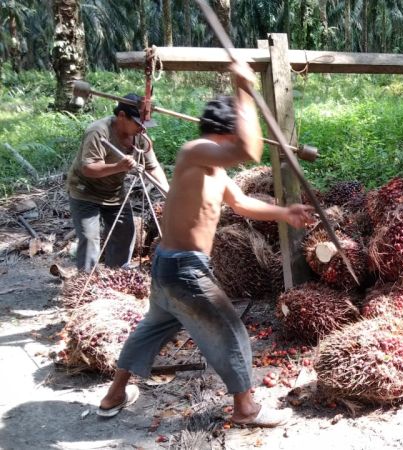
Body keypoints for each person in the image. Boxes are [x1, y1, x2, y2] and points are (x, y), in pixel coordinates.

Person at [97, 61, 313, 427]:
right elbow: (249, 150)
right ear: (228, 130)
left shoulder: (213, 168)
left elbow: (240, 203)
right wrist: (243, 89)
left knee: (152, 328)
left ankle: (113, 395)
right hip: (183, 269)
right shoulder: (196, 151)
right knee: (230, 330)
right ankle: (245, 408)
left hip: (170, 267)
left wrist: (284, 212)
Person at [67, 94, 169, 271]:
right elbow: (89, 168)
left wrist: (168, 193)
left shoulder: (140, 136)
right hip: (85, 191)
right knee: (90, 238)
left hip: (113, 192)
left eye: (144, 124)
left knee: (125, 233)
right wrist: (119, 167)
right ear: (121, 116)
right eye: (137, 123)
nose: (142, 128)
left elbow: (152, 167)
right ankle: (86, 279)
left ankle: (116, 274)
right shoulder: (98, 131)